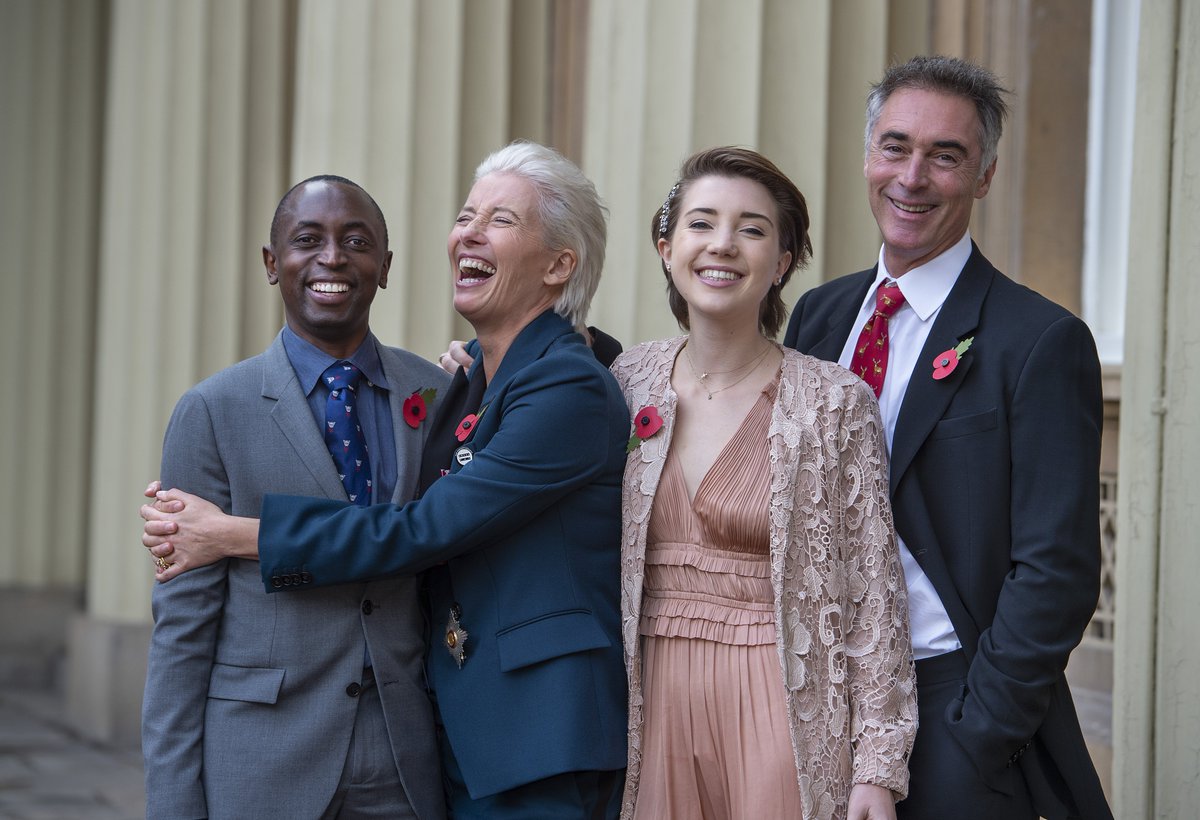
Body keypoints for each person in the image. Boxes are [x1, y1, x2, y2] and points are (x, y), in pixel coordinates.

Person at [142, 141, 629, 819]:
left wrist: (230, 535)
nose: (470, 232)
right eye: (466, 215)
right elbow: (182, 632)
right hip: (305, 757)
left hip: (512, 738)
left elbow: (424, 531)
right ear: (270, 262)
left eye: (501, 220)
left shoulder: (536, 384)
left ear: (558, 264)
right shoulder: (461, 387)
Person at [783, 56, 1112, 819]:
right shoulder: (820, 318)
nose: (913, 176)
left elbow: (1056, 571)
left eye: (946, 155)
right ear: (868, 156)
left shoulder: (1039, 340)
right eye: (895, 147)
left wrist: (977, 736)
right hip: (816, 705)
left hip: (950, 708)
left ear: (985, 176)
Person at [611, 147, 916, 820]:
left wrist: (877, 769)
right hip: (649, 703)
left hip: (784, 704)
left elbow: (875, 596)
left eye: (751, 228)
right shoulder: (625, 383)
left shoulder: (836, 401)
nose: (722, 244)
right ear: (666, 247)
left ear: (781, 263)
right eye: (701, 223)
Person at [141, 175, 449, 819]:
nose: (332, 257)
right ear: (271, 263)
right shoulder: (211, 410)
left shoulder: (437, 396)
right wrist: (173, 803)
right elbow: (183, 628)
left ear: (385, 268)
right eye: (307, 240)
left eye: (355, 241)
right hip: (263, 762)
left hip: (408, 759)